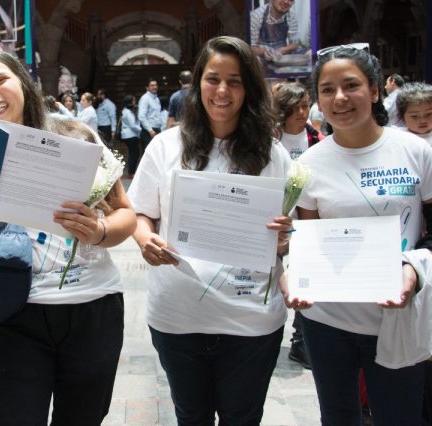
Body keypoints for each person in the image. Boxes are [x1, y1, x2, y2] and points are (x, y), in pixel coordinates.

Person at [0, 48, 137, 425]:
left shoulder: (75, 135)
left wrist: (100, 230)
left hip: (93, 306)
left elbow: (127, 215)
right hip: (16, 311)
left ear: (23, 85)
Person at [289, 45, 432, 425]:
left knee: (400, 416)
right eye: (327, 89)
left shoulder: (414, 151)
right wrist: (291, 264)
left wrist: (413, 271)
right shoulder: (307, 166)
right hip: (327, 320)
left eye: (351, 85)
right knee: (337, 416)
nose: (340, 98)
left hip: (398, 317)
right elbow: (309, 238)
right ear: (318, 99)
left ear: (375, 90)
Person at [127, 36, 293, 425]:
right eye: (213, 78)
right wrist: (143, 237)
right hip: (179, 315)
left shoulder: (273, 155)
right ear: (197, 83)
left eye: (235, 81)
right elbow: (140, 213)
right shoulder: (166, 146)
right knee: (191, 416)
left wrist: (286, 237)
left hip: (252, 317)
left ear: (249, 87)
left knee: (243, 416)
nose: (222, 91)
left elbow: (292, 231)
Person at [274, 81, 322, 160]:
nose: (301, 112)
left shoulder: (317, 139)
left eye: (304, 106)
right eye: (295, 107)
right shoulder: (270, 139)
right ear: (283, 109)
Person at [137, 78, 162, 152]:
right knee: (149, 154)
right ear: (147, 87)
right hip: (148, 131)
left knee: (157, 154)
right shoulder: (145, 98)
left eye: (156, 85)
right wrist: (150, 130)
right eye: (152, 85)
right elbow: (141, 116)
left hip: (157, 129)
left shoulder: (156, 99)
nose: (155, 87)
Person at [119, 94, 141, 176]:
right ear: (130, 102)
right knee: (134, 154)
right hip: (131, 135)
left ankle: (131, 172)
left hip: (128, 135)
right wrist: (140, 129)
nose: (135, 102)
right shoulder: (128, 112)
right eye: (134, 100)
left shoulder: (125, 111)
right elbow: (133, 125)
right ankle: (131, 172)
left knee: (134, 153)